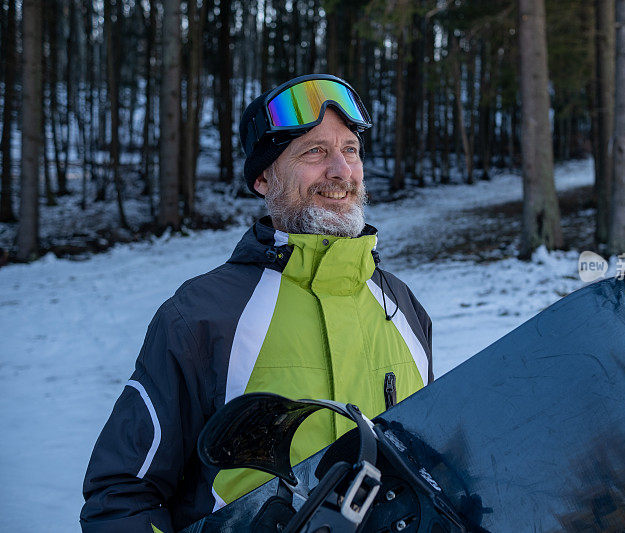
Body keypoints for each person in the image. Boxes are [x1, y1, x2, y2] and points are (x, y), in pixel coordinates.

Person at [80, 74, 433, 533]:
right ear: (264, 178)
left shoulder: (403, 306)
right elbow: (121, 495)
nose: (341, 171)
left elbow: (433, 464)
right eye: (314, 151)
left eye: (350, 149)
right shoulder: (200, 317)